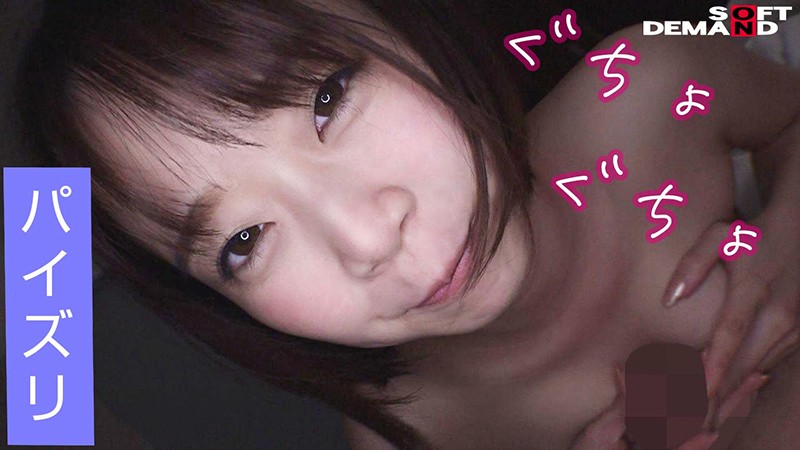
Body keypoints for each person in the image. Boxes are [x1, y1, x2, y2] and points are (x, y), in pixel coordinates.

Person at [17, 0, 800, 448]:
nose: (367, 239)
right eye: (242, 243)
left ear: (406, 28)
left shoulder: (644, 85)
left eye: (327, 99)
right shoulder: (410, 434)